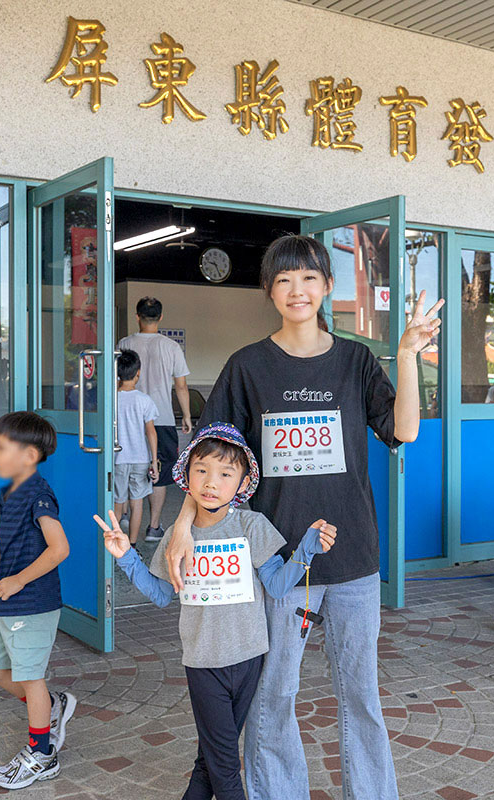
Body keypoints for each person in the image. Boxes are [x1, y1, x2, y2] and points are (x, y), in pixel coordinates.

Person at [162, 234, 441, 800]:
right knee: (273, 696)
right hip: (277, 563)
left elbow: (404, 430)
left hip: (355, 556)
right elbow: (207, 458)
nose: (298, 290)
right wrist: (183, 526)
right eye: (284, 279)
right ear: (269, 290)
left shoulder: (356, 361)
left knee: (361, 695)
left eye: (309, 277)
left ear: (327, 286)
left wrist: (409, 355)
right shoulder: (248, 367)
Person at [99, 423, 337, 800]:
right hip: (203, 664)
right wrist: (126, 556)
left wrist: (307, 549)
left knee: (209, 761)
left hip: (250, 659)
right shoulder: (178, 536)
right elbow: (161, 594)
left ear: (243, 483)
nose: (211, 482)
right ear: (187, 476)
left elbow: (277, 586)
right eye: (202, 470)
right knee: (224, 766)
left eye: (226, 474)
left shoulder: (251, 525)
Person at [0, 412, 77, 790]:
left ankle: (42, 754)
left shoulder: (39, 495)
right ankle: (51, 705)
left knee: (30, 678)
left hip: (33, 602)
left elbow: (59, 548)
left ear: (29, 455)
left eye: (2, 448)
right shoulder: (9, 493)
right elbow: (6, 539)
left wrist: (18, 580)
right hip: (8, 600)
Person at [117, 297, 193, 541]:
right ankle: (153, 527)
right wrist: (187, 415)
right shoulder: (171, 346)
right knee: (157, 471)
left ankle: (125, 513)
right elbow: (181, 386)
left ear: (137, 316)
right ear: (160, 317)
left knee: (124, 464)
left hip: (127, 417)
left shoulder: (124, 343)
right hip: (161, 418)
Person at [115, 350, 159, 545]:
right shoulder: (144, 400)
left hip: (118, 459)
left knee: (118, 504)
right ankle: (131, 545)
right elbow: (151, 432)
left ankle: (112, 547)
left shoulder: (112, 400)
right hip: (140, 459)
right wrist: (154, 461)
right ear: (138, 373)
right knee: (137, 503)